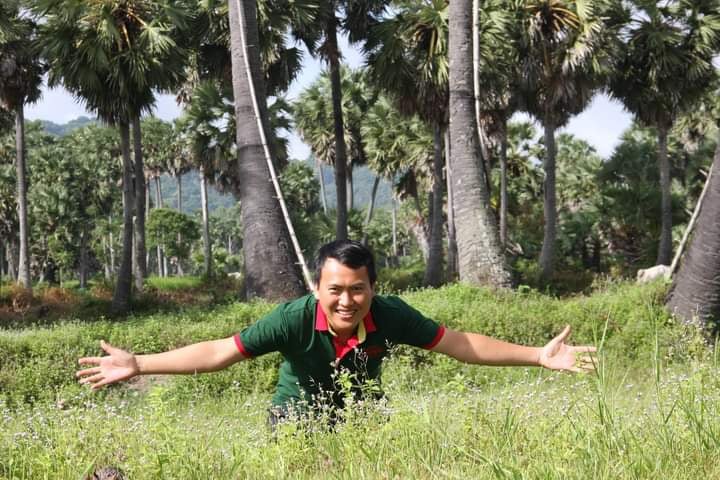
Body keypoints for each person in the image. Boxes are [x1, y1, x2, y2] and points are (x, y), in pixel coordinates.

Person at [77, 240, 596, 424]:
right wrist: (139, 364)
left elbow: (459, 344)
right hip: (295, 418)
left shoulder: (391, 314)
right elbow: (221, 351)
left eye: (357, 289)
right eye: (336, 290)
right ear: (317, 287)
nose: (347, 301)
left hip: (365, 418)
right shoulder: (291, 318)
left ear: (373, 287)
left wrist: (538, 355)